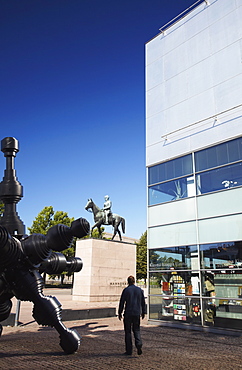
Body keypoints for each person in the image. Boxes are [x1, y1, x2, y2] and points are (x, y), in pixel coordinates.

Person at [118, 275, 145, 356]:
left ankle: (129, 350)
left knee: (128, 332)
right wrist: (143, 312)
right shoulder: (139, 290)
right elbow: (143, 302)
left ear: (128, 282)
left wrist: (119, 312)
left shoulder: (126, 290)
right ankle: (139, 344)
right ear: (134, 281)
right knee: (136, 330)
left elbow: (122, 302)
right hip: (137, 313)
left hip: (128, 313)